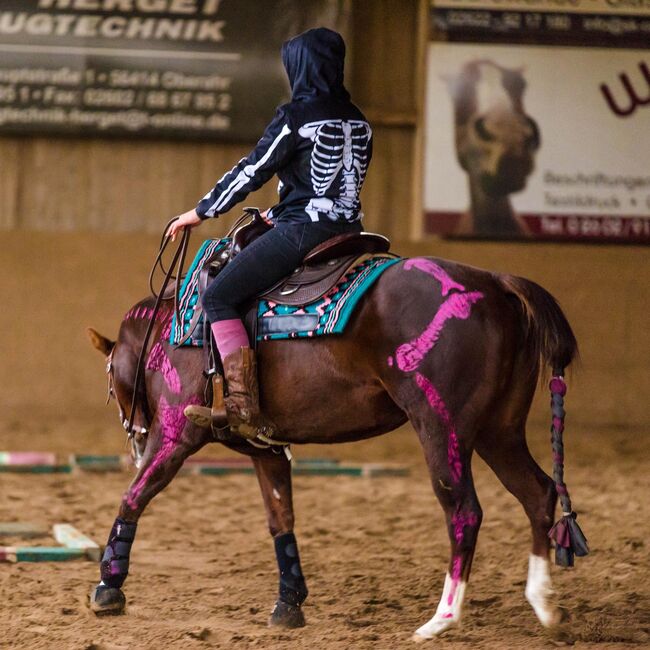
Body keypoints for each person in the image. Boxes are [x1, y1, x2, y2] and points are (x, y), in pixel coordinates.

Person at [169, 27, 373, 439]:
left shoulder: (295, 116)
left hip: (305, 232)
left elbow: (252, 170)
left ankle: (242, 402)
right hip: (351, 230)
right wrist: (280, 210)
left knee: (219, 296)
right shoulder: (359, 119)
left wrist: (201, 211)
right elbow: (329, 186)